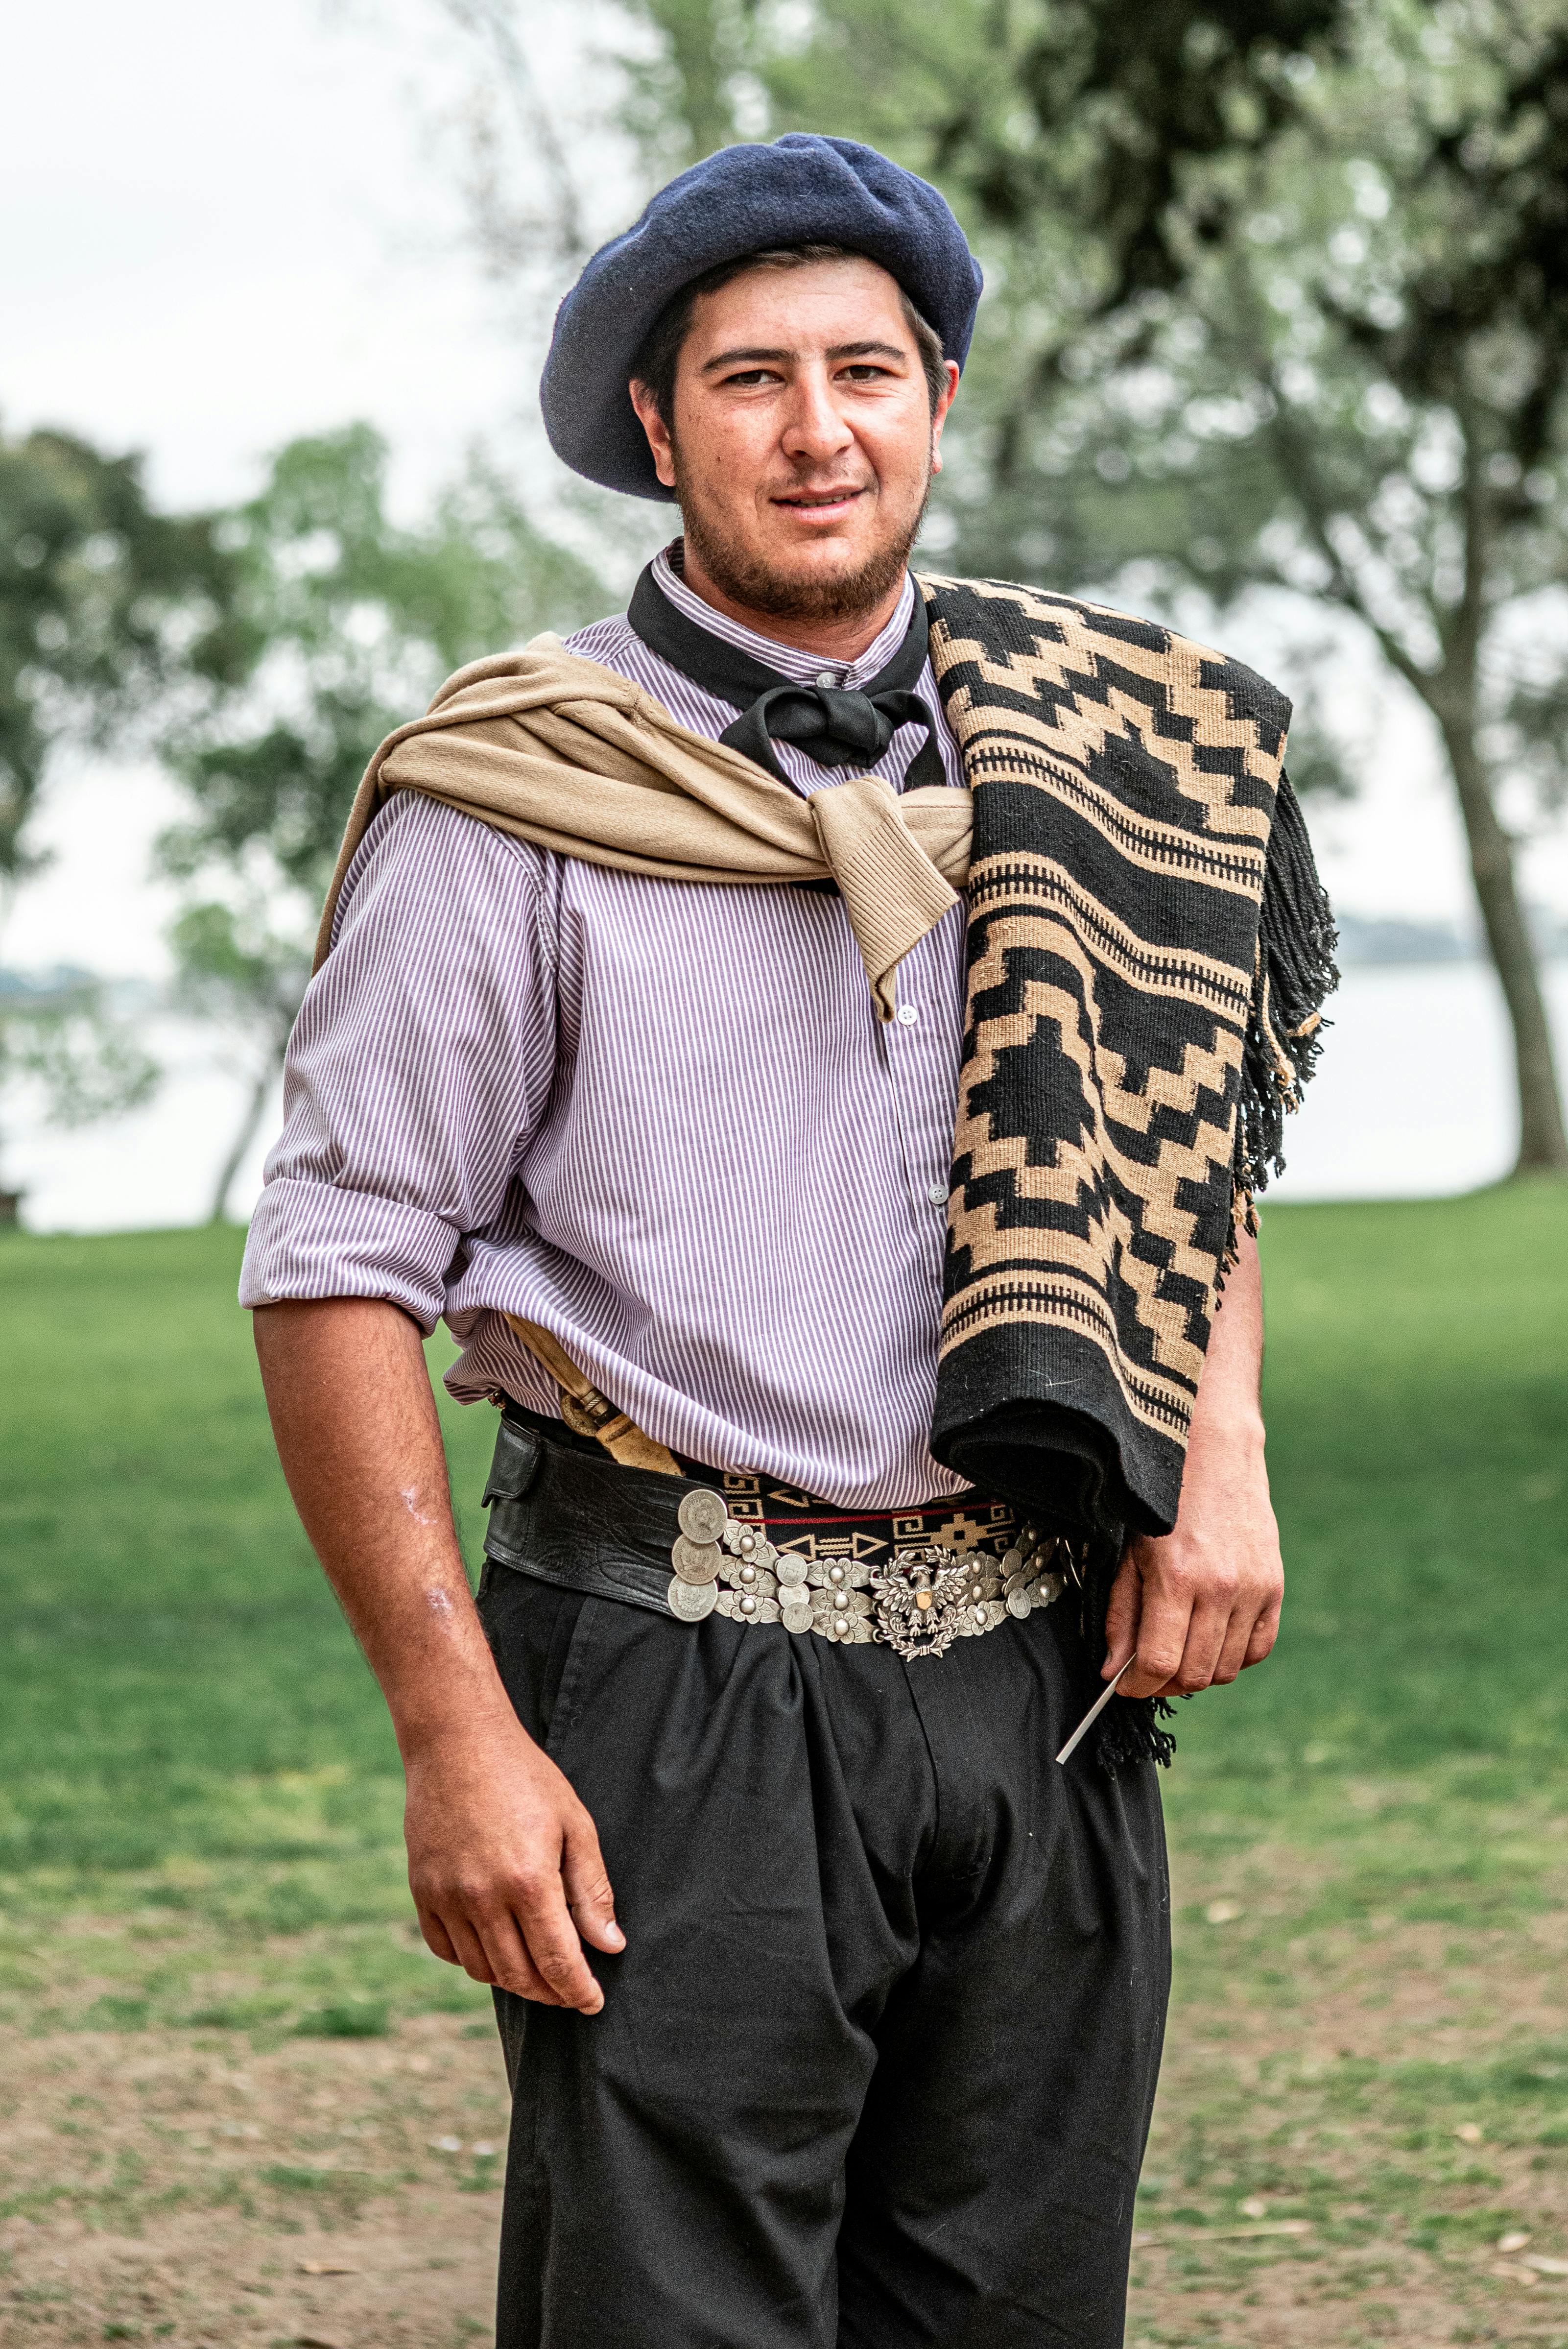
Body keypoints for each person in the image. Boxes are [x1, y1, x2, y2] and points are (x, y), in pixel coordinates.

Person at [242, 134, 1333, 2349]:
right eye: (750, 380)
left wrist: (1218, 1441)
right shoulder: (517, 788)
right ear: (659, 428)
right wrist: (454, 1728)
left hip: (1045, 1665)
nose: (817, 431)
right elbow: (342, 1255)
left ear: (938, 398)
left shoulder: (1104, 751)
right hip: (677, 1675)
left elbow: (1182, 1124)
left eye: (866, 370)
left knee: (1020, 2312)